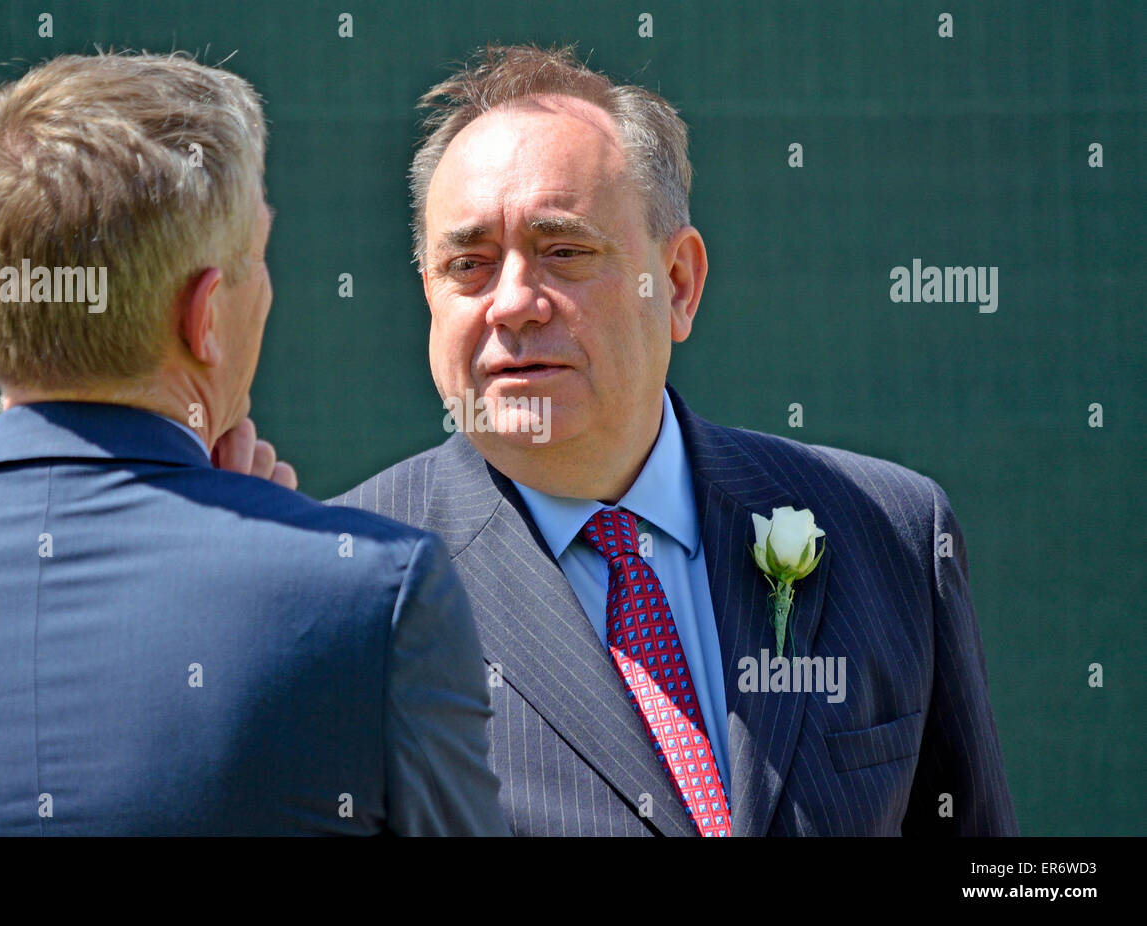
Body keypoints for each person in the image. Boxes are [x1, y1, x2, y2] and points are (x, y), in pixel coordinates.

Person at [324, 44, 1019, 836]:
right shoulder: (344, 587)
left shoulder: (887, 532)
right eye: (469, 263)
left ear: (679, 283)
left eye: (564, 251)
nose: (512, 302)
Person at [0, 52, 507, 836]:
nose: (267, 287)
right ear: (203, 316)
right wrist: (300, 588)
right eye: (256, 256)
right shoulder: (378, 599)